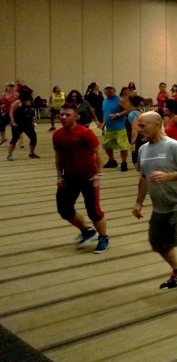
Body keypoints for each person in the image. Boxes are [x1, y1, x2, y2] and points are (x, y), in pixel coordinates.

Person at [132, 112, 177, 303]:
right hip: (160, 205)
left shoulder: (174, 146)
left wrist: (168, 177)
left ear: (157, 124)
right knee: (157, 242)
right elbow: (144, 177)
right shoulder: (143, 150)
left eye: (143, 125)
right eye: (138, 125)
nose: (139, 129)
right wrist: (139, 202)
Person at [53, 104, 109, 253]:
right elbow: (58, 156)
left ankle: (103, 238)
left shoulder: (85, 133)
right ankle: (86, 231)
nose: (63, 117)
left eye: (67, 115)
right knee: (64, 209)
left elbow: (98, 151)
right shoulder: (57, 134)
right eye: (61, 114)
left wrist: (99, 173)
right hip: (69, 178)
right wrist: (59, 176)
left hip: (89, 178)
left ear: (76, 117)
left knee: (94, 212)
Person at [97, 85, 131, 171]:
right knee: (107, 145)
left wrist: (117, 114)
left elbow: (128, 110)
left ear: (114, 90)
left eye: (111, 89)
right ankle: (112, 161)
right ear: (104, 91)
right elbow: (106, 114)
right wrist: (103, 123)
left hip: (120, 128)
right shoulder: (104, 101)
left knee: (123, 146)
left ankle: (124, 163)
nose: (109, 90)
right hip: (109, 128)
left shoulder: (120, 99)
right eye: (107, 89)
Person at [6, 86, 39, 161]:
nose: (32, 94)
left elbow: (31, 113)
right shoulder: (19, 102)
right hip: (18, 123)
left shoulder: (31, 101)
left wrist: (32, 122)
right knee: (15, 139)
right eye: (31, 93)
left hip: (27, 124)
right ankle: (9, 155)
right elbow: (11, 111)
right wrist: (12, 121)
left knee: (33, 137)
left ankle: (31, 153)